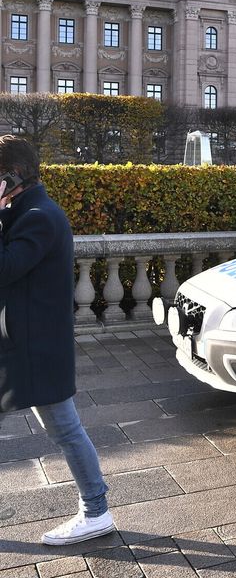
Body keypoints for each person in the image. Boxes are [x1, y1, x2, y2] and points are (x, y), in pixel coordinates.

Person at [0, 135, 115, 546]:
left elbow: (6, 268)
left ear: (12, 177)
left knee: (65, 428)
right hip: (23, 341)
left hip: (35, 347)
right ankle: (96, 509)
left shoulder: (40, 217)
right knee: (64, 428)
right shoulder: (26, 211)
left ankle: (96, 511)